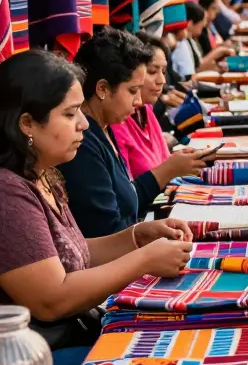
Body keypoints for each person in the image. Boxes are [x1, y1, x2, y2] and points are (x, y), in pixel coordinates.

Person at [0, 50, 194, 365]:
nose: (84, 123)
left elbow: (64, 254)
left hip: (33, 346)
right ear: (28, 123)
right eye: (70, 113)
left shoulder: (38, 172)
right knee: (159, 363)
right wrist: (144, 261)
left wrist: (136, 238)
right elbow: (52, 300)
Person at [61, 30, 210, 237]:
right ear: (102, 88)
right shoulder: (83, 144)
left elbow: (129, 197)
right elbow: (107, 233)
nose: (139, 101)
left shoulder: (106, 128)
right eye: (132, 91)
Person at [111, 33, 179, 178]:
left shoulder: (146, 110)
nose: (161, 80)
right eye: (152, 71)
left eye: (164, 71)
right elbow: (129, 194)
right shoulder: (116, 120)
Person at [170, 1, 230, 80]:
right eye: (201, 23)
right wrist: (218, 52)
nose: (204, 25)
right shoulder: (181, 43)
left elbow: (195, 69)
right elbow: (191, 73)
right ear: (190, 23)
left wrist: (215, 67)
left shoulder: (190, 41)